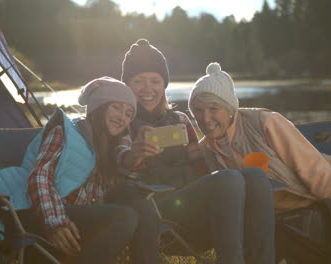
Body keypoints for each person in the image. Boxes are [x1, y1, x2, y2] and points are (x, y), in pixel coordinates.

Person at [188, 62, 331, 263]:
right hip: (280, 223)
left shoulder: (265, 123)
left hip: (327, 198)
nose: (205, 118)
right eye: (197, 110)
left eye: (213, 109)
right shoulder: (205, 149)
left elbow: (314, 171)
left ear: (230, 108)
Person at [115, 39, 276, 264]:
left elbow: (202, 165)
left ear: (164, 85)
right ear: (127, 85)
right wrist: (137, 155)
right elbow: (123, 165)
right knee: (227, 180)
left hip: (195, 207)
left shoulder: (180, 120)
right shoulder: (121, 123)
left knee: (255, 176)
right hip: (158, 215)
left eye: (155, 80)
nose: (147, 89)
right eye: (138, 81)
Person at [0, 77, 160, 263]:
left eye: (128, 113)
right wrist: (56, 223)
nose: (121, 117)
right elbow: (40, 177)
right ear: (98, 107)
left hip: (79, 216)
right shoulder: (66, 133)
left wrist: (135, 156)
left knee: (142, 207)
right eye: (116, 107)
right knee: (124, 217)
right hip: (37, 213)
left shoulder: (115, 143)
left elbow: (123, 159)